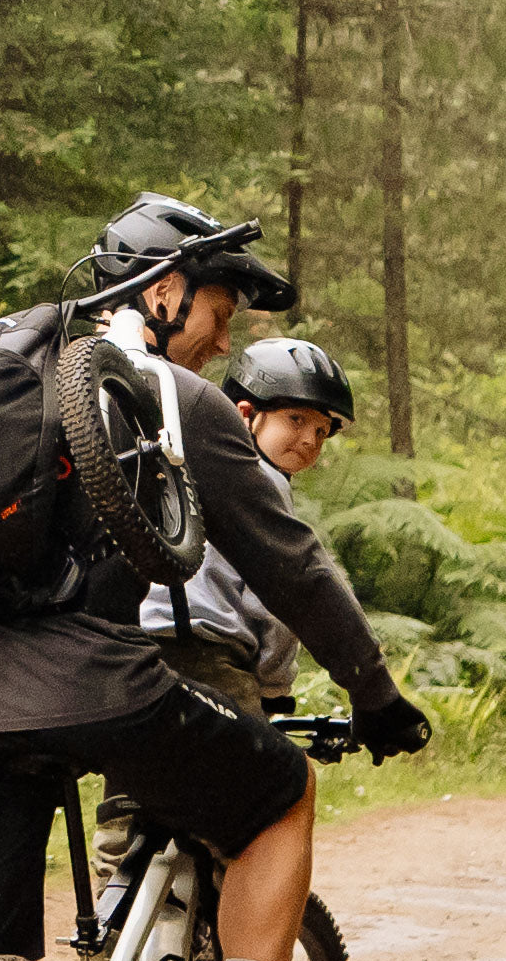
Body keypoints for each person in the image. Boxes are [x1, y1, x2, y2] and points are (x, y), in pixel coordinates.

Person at [0, 193, 430, 961]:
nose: (222, 342)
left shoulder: (4, 371)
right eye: (219, 312)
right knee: (281, 794)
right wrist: (373, 690)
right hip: (96, 685)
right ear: (165, 291)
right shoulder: (171, 397)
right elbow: (291, 568)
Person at [93, 336, 356, 883]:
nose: (309, 439)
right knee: (254, 830)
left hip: (129, 658)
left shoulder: (172, 466)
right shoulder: (264, 487)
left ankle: (116, 940)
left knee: (125, 820)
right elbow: (281, 606)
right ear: (246, 414)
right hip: (211, 663)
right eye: (296, 420)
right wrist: (275, 687)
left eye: (322, 431)